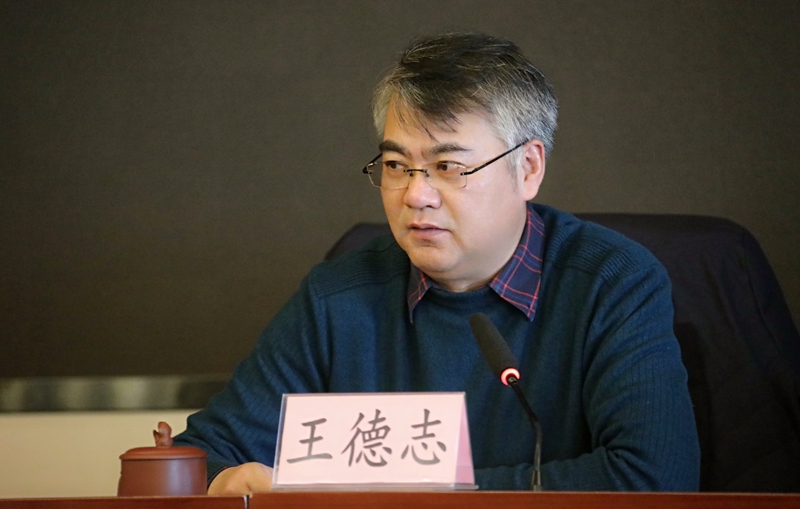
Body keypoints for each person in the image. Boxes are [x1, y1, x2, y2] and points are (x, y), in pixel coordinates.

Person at [174, 32, 700, 493]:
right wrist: (225, 482)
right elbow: (198, 456)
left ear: (528, 168)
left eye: (447, 166)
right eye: (396, 165)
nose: (415, 195)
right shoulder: (338, 297)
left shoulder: (612, 282)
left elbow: (653, 477)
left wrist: (413, 494)